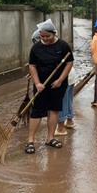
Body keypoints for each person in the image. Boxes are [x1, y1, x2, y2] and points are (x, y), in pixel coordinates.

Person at [27, 19, 74, 153]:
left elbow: (69, 63)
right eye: (42, 36)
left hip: (57, 85)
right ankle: (31, 141)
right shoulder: (36, 48)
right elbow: (32, 66)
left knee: (54, 110)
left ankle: (50, 138)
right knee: (36, 112)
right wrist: (37, 83)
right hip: (41, 85)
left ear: (54, 34)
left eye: (48, 36)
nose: (45, 39)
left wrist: (60, 80)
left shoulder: (63, 46)